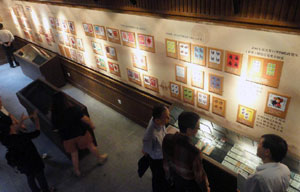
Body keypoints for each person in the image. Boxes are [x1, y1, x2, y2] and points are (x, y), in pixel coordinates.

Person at [51, 92, 108, 177]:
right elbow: (85, 119)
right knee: (90, 145)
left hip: (67, 137)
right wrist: (91, 124)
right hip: (80, 133)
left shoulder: (54, 115)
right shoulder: (72, 109)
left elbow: (55, 128)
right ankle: (100, 158)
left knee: (74, 154)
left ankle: (77, 171)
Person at [0, 111, 55, 192]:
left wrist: (21, 121)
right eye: (12, 124)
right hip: (33, 161)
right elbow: (37, 132)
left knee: (30, 177)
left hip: (23, 164)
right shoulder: (22, 138)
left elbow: (14, 130)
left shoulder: (5, 140)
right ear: (10, 128)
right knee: (40, 176)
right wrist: (36, 119)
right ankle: (46, 190)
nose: (14, 124)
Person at [162, 111, 210, 192]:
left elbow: (166, 161)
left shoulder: (167, 138)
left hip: (175, 176)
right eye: (197, 128)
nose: (198, 129)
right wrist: (206, 189)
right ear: (189, 130)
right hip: (188, 183)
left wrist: (168, 176)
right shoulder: (194, 152)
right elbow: (199, 177)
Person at [142, 105, 170, 192]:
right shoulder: (150, 135)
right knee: (157, 178)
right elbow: (145, 151)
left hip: (162, 155)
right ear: (157, 120)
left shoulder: (159, 122)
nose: (169, 118)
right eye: (167, 117)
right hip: (157, 160)